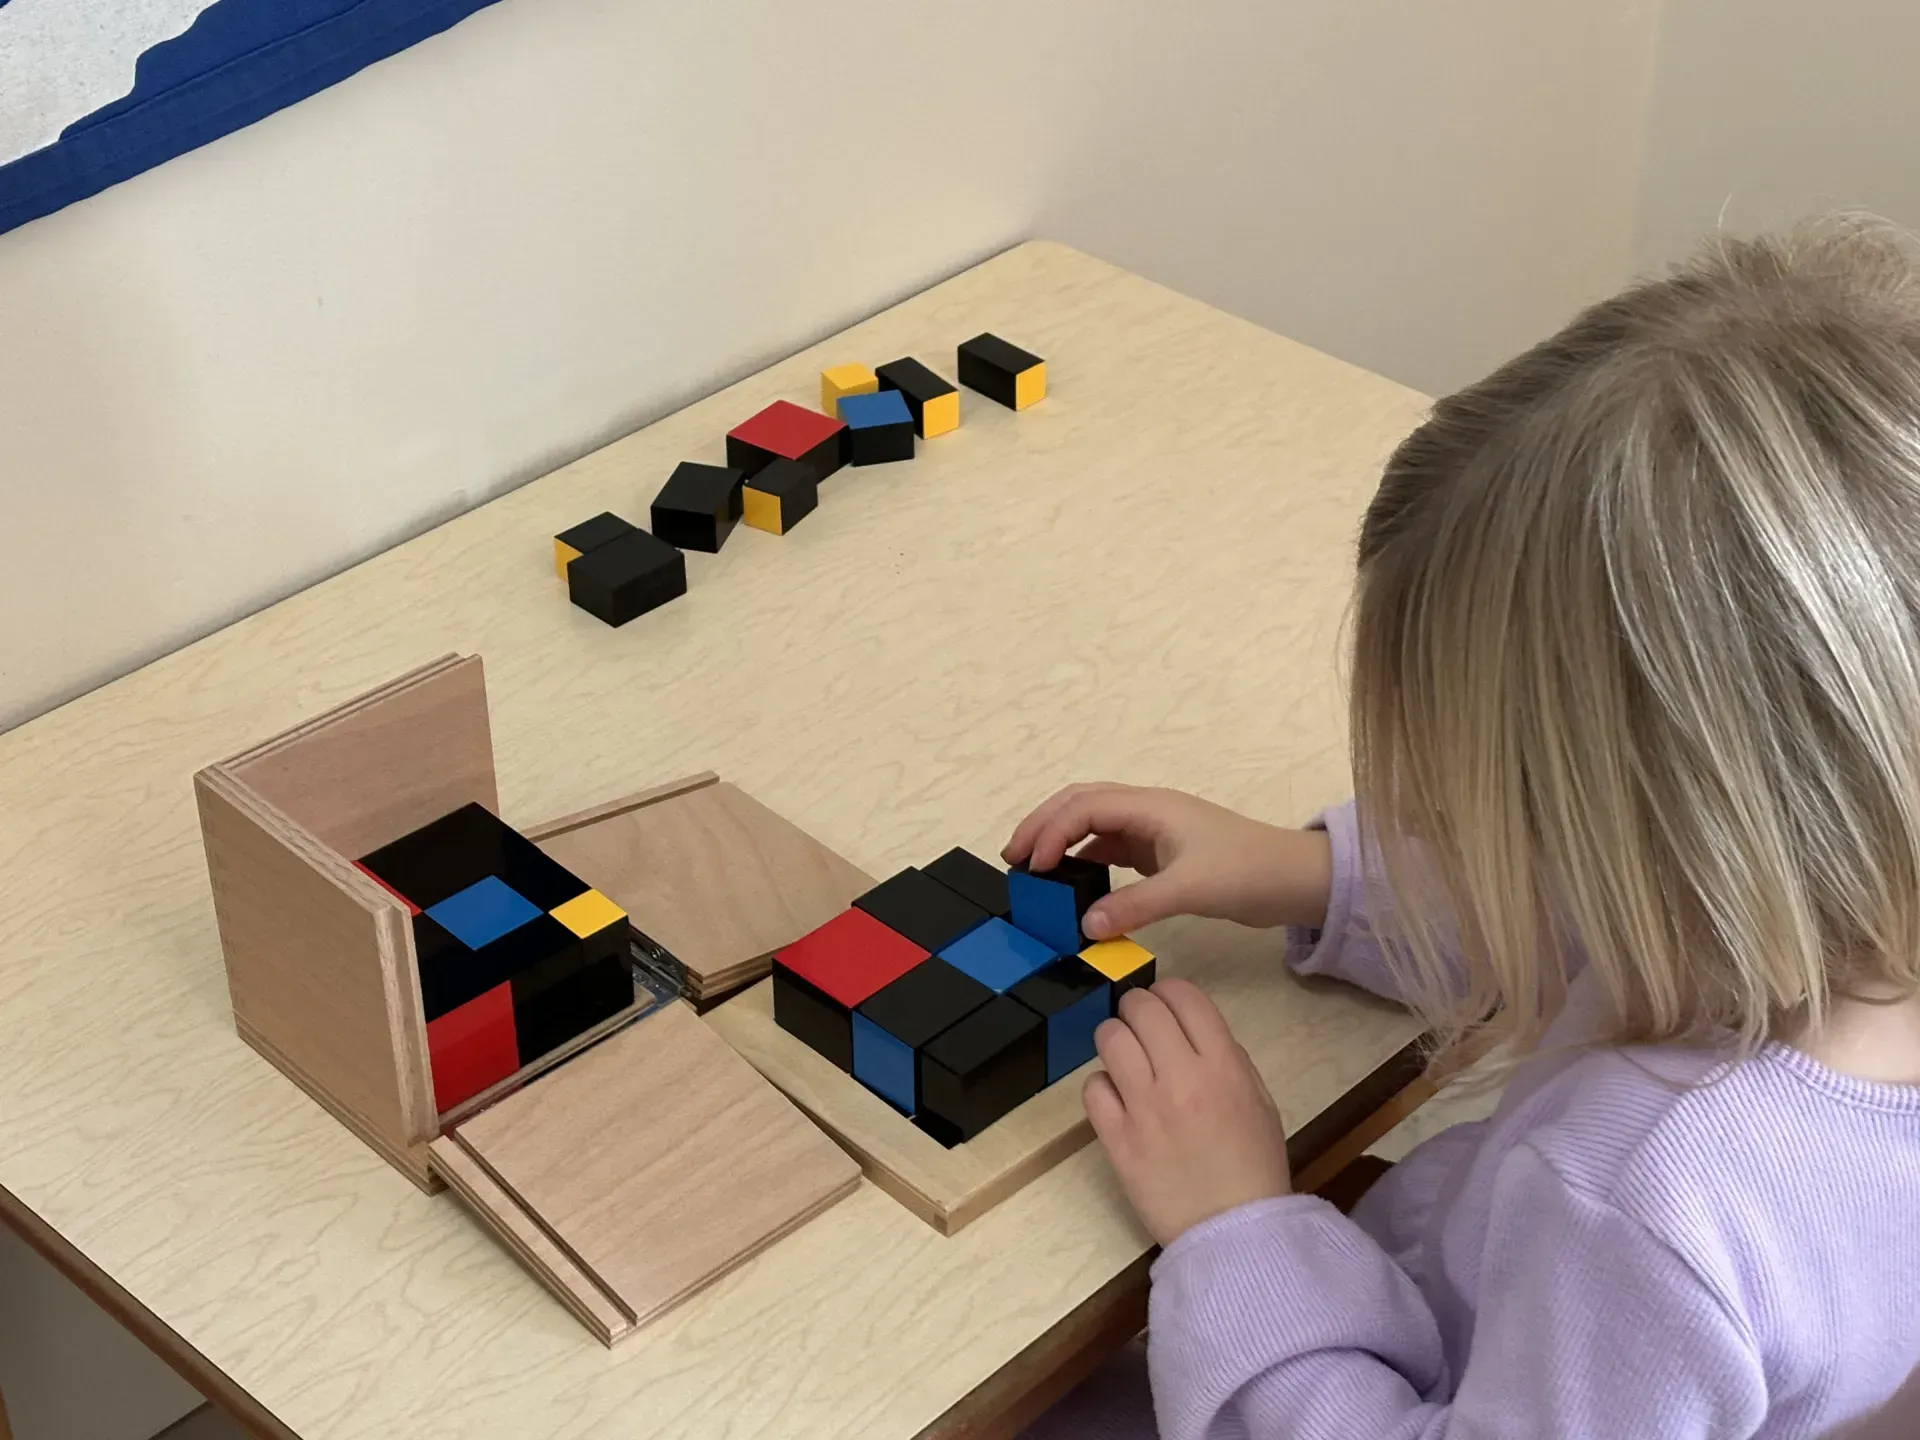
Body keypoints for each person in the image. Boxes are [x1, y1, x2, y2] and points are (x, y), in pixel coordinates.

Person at [1006, 217, 1920, 1439]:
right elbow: (1593, 918)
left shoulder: (1644, 1203)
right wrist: (1310, 874)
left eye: (1493, 797)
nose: (1443, 809)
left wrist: (1235, 1226)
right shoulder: (1834, 907)